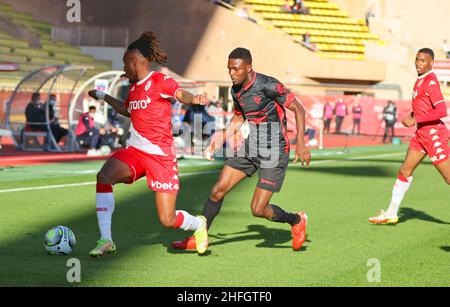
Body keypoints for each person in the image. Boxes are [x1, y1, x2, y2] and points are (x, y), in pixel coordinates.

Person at [172, 48, 311, 252]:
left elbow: (298, 108)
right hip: (250, 147)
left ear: (248, 67)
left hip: (274, 151)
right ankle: (199, 236)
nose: (231, 73)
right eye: (229, 69)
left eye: (235, 69)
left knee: (258, 209)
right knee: (217, 191)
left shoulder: (268, 84)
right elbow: (239, 118)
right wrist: (218, 141)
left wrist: (301, 143)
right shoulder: (234, 90)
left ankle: (296, 220)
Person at [86, 31, 209, 257]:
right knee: (104, 177)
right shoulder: (133, 89)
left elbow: (181, 94)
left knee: (168, 219)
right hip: (136, 151)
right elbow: (126, 109)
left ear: (134, 62)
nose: (123, 69)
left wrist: (195, 99)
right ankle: (106, 239)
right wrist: (103, 96)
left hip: (161, 157)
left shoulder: (160, 81)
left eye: (125, 63)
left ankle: (198, 224)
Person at [369, 48, 449, 225]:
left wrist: (416, 118)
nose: (418, 63)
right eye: (417, 59)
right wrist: (413, 117)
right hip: (421, 134)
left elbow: (441, 110)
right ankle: (391, 212)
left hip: (434, 134)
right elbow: (423, 107)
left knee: (448, 178)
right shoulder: (419, 81)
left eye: (423, 61)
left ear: (431, 63)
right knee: (405, 170)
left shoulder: (431, 82)